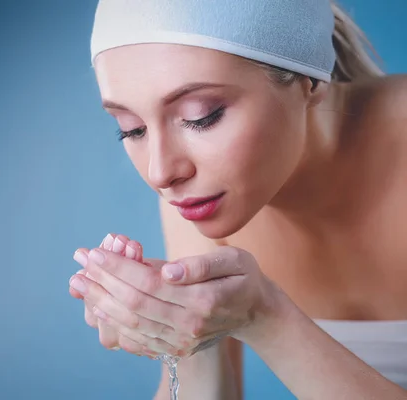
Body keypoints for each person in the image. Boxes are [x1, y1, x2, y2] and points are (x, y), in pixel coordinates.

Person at [69, 0, 407, 398]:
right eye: (132, 130)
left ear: (309, 80)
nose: (161, 173)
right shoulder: (200, 196)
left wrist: (265, 317)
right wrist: (190, 332)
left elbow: (261, 316)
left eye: (202, 116)